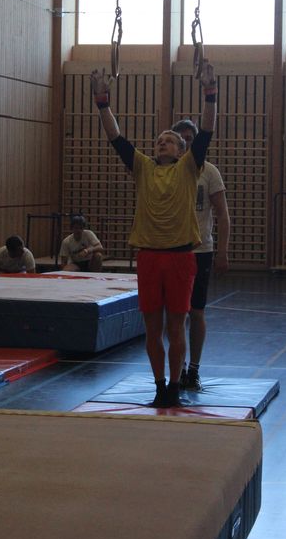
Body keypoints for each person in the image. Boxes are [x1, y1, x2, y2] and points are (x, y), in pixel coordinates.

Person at [91, 60, 217, 408]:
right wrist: (102, 101)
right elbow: (115, 137)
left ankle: (175, 386)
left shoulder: (190, 168)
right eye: (159, 141)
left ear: (181, 150)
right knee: (152, 329)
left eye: (170, 141)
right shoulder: (143, 167)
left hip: (180, 257)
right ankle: (160, 386)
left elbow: (206, 130)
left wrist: (210, 92)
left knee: (176, 327)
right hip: (148, 257)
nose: (162, 143)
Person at [170, 118, 230, 391]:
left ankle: (193, 369)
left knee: (195, 311)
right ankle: (178, 368)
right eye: (181, 138)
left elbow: (223, 214)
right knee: (174, 314)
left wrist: (222, 251)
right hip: (171, 250)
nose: (186, 143)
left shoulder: (209, 172)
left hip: (200, 250)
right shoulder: (166, 171)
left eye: (190, 138)